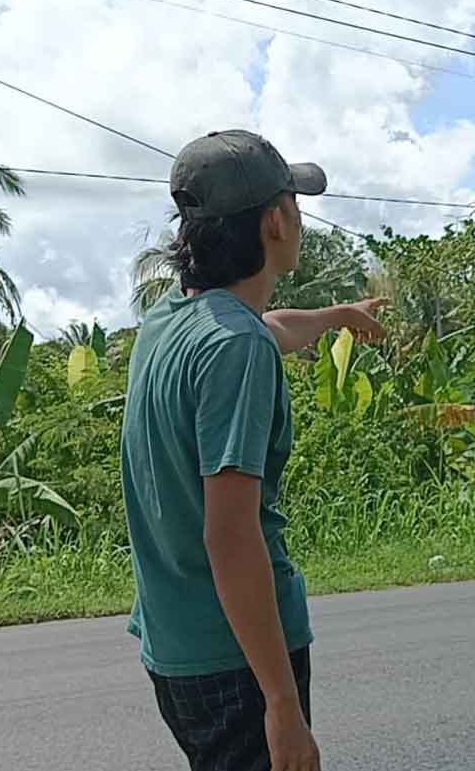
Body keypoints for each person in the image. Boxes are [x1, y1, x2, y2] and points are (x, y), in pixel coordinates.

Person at [121, 129, 384, 771]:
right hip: (234, 659)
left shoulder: (169, 321)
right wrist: (281, 702)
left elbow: (266, 325)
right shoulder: (235, 350)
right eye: (295, 203)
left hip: (177, 650)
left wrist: (337, 316)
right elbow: (231, 536)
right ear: (274, 221)